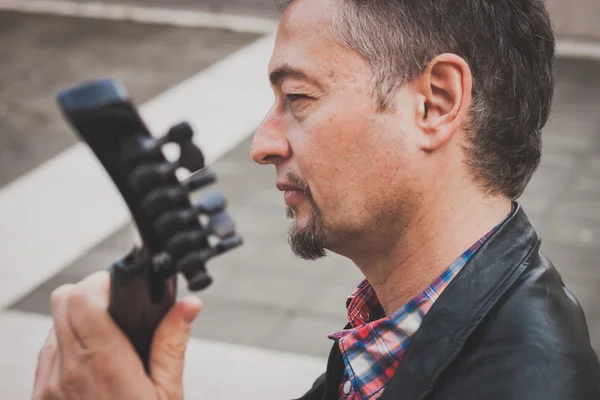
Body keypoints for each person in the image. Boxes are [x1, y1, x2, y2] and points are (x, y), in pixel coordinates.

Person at [32, 0, 600, 399]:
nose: (262, 144)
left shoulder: (532, 385)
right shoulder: (393, 323)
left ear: (435, 102)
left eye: (298, 97)